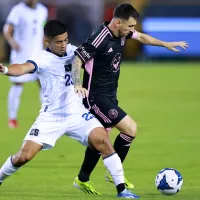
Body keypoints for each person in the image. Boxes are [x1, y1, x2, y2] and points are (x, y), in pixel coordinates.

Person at [0, 20, 140, 199]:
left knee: (103, 141)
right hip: (51, 117)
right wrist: (5, 69)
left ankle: (122, 191)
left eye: (66, 40)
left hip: (77, 114)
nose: (63, 45)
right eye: (58, 42)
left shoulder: (75, 52)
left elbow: (98, 50)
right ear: (47, 41)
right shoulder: (41, 58)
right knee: (23, 156)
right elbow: (22, 68)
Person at [71, 2, 188, 194]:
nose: (132, 30)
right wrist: (77, 83)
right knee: (130, 129)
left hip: (110, 96)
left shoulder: (122, 33)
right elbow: (77, 58)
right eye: (130, 26)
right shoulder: (100, 38)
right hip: (96, 97)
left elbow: (141, 37)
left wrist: (165, 44)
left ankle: (82, 179)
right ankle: (114, 172)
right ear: (118, 23)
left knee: (100, 139)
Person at [3, 0, 48, 128]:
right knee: (18, 84)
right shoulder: (18, 10)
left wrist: (45, 46)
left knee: (43, 84)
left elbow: (43, 29)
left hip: (37, 53)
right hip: (21, 54)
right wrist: (12, 42)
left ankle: (47, 115)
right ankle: (12, 118)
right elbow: (8, 28)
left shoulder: (42, 10)